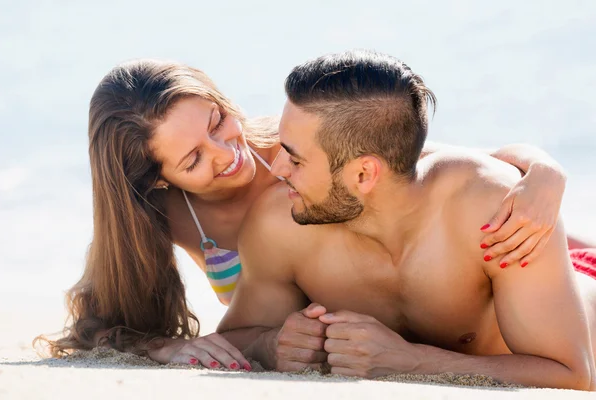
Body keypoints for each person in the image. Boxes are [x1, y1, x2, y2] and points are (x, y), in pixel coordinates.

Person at [39, 59, 577, 369]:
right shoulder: (165, 218)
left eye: (217, 121)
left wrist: (545, 172)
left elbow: (413, 158)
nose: (228, 154)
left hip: (518, 271)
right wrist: (171, 346)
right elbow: (108, 322)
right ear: (159, 179)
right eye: (193, 158)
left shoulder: (295, 149)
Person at [217, 50, 596, 390]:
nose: (278, 169)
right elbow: (234, 337)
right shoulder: (278, 223)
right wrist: (271, 344)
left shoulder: (492, 208)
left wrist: (412, 361)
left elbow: (571, 376)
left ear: (364, 174)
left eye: (295, 158)